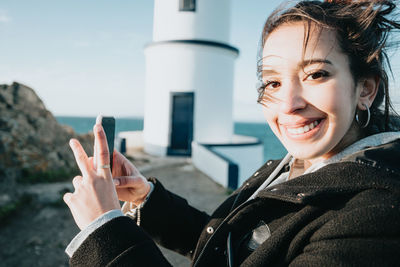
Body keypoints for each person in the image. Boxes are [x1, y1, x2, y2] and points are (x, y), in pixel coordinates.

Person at [63, 0, 400, 266]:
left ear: (365, 89)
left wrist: (104, 231)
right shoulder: (290, 168)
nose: (289, 103)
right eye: (272, 82)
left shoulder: (375, 216)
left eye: (316, 74)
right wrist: (147, 199)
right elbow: (237, 246)